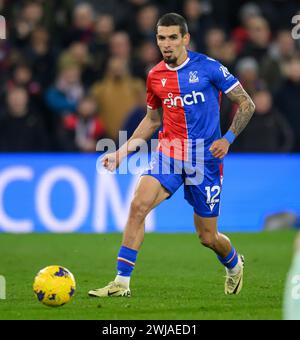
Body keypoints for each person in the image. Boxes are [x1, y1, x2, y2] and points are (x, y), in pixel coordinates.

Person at [88, 13, 255, 298]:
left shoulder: (209, 68)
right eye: (161, 38)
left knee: (207, 237)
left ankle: (233, 263)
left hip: (205, 161)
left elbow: (247, 103)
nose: (166, 44)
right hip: (170, 152)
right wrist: (121, 152)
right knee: (138, 205)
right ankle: (121, 282)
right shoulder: (154, 76)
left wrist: (227, 139)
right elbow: (153, 121)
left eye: (172, 38)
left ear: (185, 39)